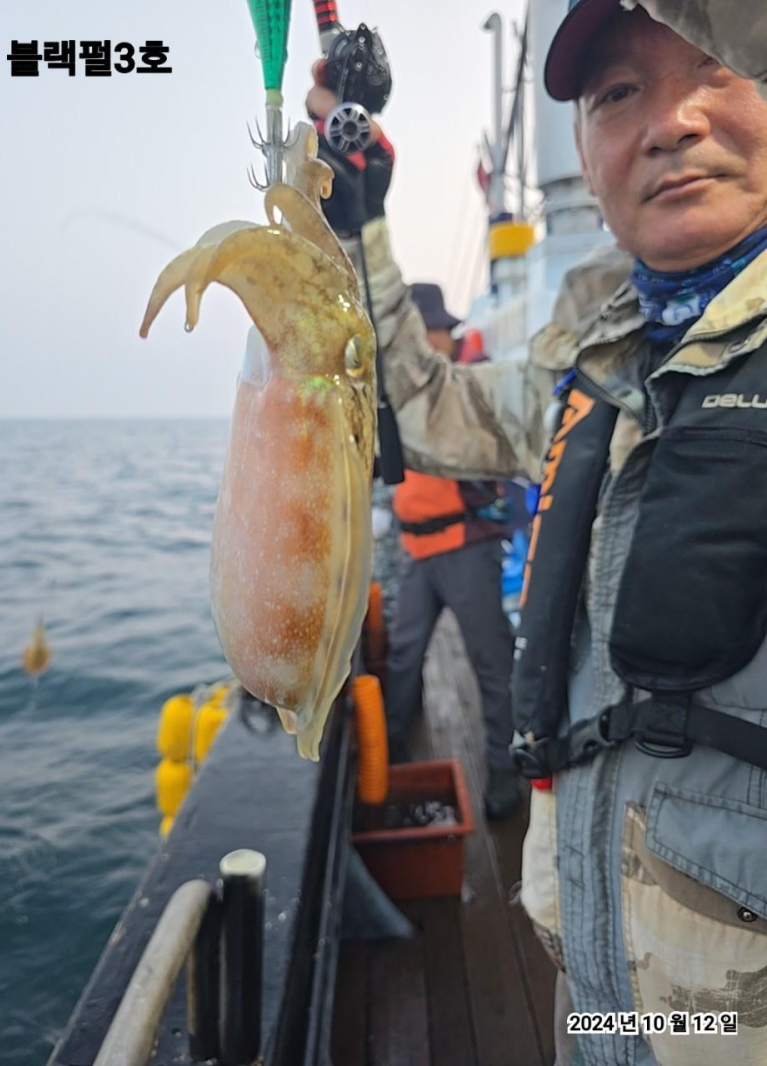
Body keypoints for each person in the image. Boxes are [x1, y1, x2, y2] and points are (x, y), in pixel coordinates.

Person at [310, 2, 767, 1062]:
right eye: (616, 94)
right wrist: (362, 218)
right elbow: (424, 408)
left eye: (717, 65)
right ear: (581, 149)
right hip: (594, 1002)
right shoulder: (590, 371)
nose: (668, 121)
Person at [384, 281, 519, 821]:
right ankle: (387, 765)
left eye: (421, 335)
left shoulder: (472, 379)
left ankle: (505, 772)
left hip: (467, 544)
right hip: (416, 549)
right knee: (402, 655)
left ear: (442, 333)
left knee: (491, 663)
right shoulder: (400, 389)